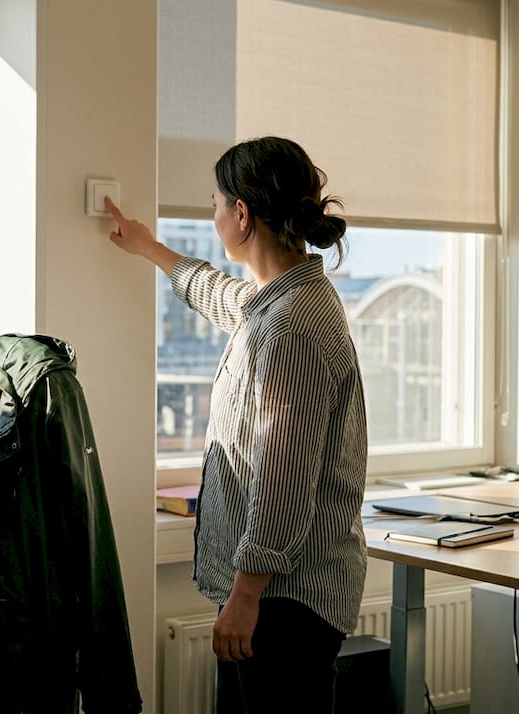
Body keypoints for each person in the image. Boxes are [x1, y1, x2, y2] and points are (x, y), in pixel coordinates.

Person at [106, 137, 368, 713]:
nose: (216, 214)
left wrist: (245, 594)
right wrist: (152, 249)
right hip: (275, 596)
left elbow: (284, 476)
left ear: (242, 214)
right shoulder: (279, 303)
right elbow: (222, 296)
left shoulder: (288, 328)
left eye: (217, 203)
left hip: (284, 602)